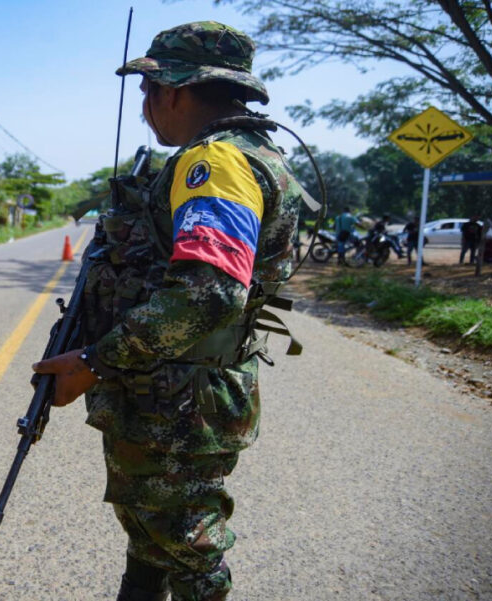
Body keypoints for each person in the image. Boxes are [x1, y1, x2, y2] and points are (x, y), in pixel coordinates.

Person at [32, 22, 304, 601]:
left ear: (174, 90)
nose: (145, 108)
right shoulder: (247, 155)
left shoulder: (216, 163)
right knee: (153, 532)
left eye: (148, 91)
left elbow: (209, 292)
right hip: (177, 389)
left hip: (178, 398)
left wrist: (95, 361)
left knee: (186, 544)